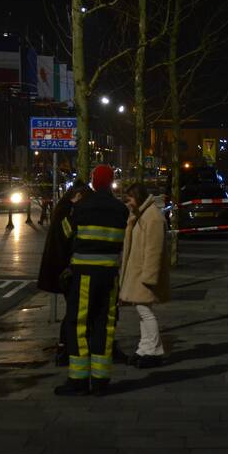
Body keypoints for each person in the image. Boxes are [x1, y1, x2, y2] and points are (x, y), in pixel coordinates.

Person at [55, 164, 130, 396]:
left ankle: (78, 379)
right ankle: (100, 379)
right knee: (104, 324)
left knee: (77, 324)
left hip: (85, 274)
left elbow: (66, 233)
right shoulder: (121, 210)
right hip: (109, 276)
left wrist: (69, 208)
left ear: (94, 181)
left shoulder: (82, 207)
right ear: (111, 182)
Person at [37, 181, 93, 366]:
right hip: (65, 270)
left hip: (62, 268)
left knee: (73, 309)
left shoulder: (63, 210)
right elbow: (68, 237)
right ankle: (64, 349)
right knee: (73, 311)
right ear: (76, 196)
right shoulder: (67, 214)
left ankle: (66, 347)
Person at [118, 182, 170, 368]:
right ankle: (145, 347)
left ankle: (154, 350)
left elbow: (154, 249)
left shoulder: (151, 217)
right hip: (139, 272)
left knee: (145, 313)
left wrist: (149, 276)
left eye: (130, 198)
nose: (128, 202)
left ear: (137, 197)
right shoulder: (143, 215)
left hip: (143, 274)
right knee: (142, 312)